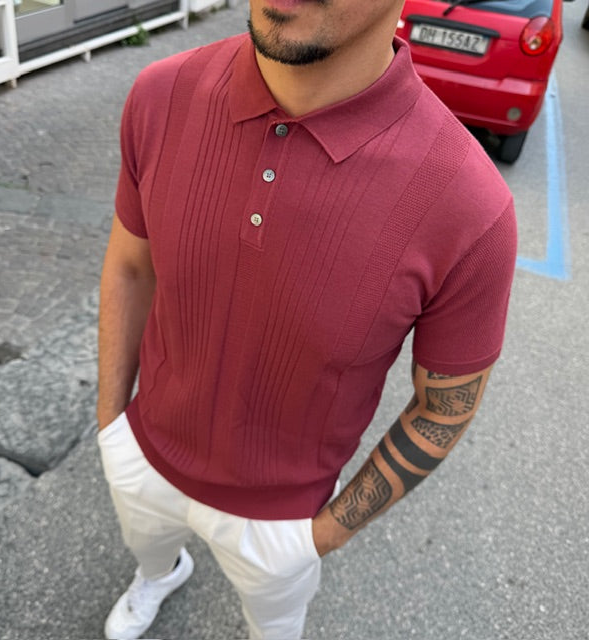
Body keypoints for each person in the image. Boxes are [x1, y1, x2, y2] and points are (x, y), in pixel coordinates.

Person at [96, 0, 517, 638]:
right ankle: (159, 574)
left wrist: (324, 534)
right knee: (148, 552)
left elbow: (444, 407)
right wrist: (110, 428)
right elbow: (131, 268)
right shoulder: (161, 94)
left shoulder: (470, 205)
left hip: (283, 522)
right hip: (142, 453)